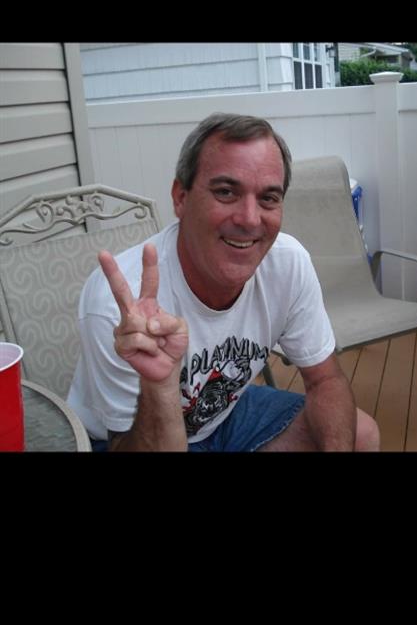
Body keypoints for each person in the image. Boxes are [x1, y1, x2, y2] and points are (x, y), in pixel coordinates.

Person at [67, 113, 380, 452]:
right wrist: (159, 386)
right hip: (128, 436)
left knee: (360, 434)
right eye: (226, 192)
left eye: (268, 198)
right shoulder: (118, 307)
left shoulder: (287, 263)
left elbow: (325, 380)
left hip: (225, 415)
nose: (249, 219)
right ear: (181, 198)